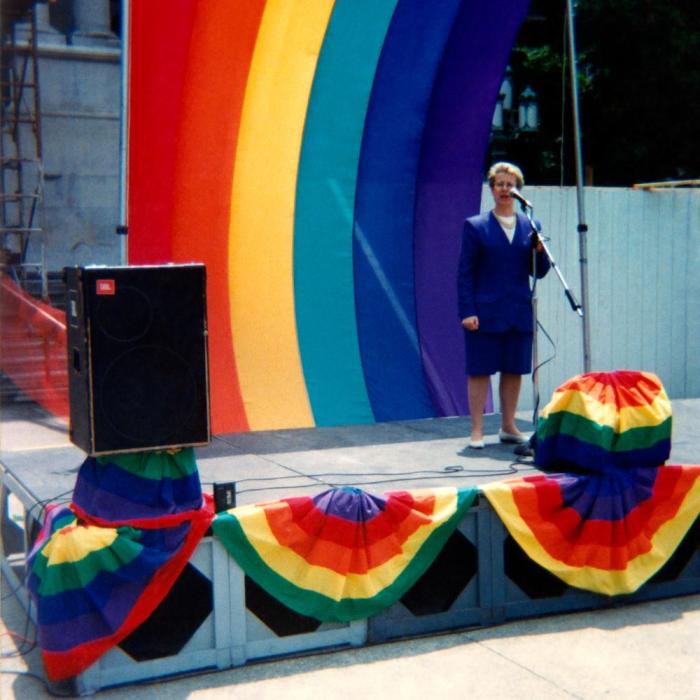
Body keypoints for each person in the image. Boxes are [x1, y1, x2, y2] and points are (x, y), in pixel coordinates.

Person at [457, 162, 550, 449]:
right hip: (484, 312)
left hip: (518, 310)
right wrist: (468, 310)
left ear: (518, 190)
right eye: (500, 184)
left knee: (513, 369)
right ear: (492, 188)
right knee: (480, 370)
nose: (505, 189)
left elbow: (540, 270)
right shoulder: (476, 226)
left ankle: (508, 426)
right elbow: (465, 272)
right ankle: (476, 430)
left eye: (510, 185)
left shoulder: (531, 226)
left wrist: (540, 251)